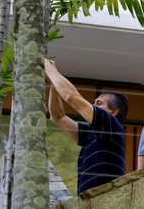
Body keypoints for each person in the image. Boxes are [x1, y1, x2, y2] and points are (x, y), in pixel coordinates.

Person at [44, 59, 128, 195]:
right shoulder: (91, 133)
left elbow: (72, 97)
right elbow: (58, 117)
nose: (93, 106)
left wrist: (49, 68)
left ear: (113, 111)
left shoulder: (111, 125)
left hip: (106, 201)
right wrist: (53, 83)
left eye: (99, 103)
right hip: (89, 203)